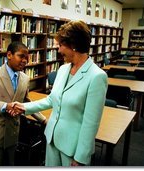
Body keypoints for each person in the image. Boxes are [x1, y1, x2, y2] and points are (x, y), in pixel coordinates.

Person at [10, 20, 108, 166]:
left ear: (73, 45)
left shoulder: (97, 76)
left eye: (61, 45)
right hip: (52, 139)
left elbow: (91, 123)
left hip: (73, 148)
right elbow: (52, 100)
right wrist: (24, 107)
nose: (58, 49)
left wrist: (81, 157)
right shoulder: (63, 70)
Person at [0, 41, 46, 166]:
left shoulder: (25, 78)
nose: (25, 61)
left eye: (27, 58)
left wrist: (43, 119)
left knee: (10, 164)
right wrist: (5, 106)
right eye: (21, 56)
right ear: (9, 55)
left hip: (13, 131)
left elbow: (26, 102)